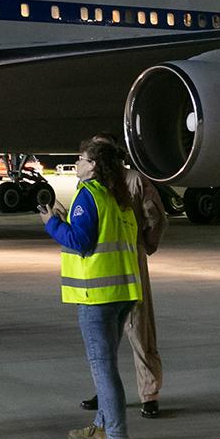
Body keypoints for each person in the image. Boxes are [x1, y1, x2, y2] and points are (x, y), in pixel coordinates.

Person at [40, 137, 142, 439]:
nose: (77, 163)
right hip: (123, 292)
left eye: (81, 158)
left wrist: (52, 224)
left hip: (97, 295)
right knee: (108, 364)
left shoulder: (89, 194)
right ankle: (102, 427)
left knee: (104, 371)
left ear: (94, 166)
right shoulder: (119, 198)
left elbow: (81, 242)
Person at [81, 153, 166, 420]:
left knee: (129, 329)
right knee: (119, 331)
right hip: (117, 261)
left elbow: (155, 216)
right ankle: (118, 391)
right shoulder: (109, 182)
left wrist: (144, 245)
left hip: (117, 261)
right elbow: (155, 216)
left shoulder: (125, 182)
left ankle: (143, 393)